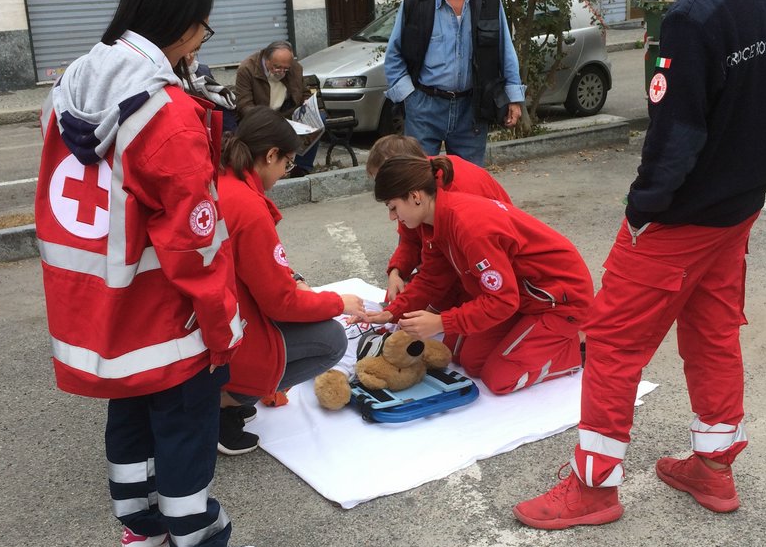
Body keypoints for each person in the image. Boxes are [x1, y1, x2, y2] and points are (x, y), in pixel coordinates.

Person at [514, 0, 766, 531]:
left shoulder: (692, 17)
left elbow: (674, 141)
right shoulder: (763, 0)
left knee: (611, 342)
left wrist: (641, 210)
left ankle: (593, 486)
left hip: (681, 221)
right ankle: (714, 466)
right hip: (736, 214)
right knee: (712, 333)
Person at [34, 0, 261, 547]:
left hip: (103, 298)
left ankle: (141, 528)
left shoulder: (74, 82)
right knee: (186, 424)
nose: (201, 40)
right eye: (203, 27)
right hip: (165, 304)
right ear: (184, 24)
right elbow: (197, 244)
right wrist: (223, 325)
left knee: (128, 409)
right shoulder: (161, 112)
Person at [364, 155, 593, 396]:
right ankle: (536, 336)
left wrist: (441, 322)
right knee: (468, 360)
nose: (392, 217)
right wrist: (391, 312)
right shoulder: (435, 221)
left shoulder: (469, 226)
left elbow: (502, 301)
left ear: (415, 196)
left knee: (500, 379)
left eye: (392, 207)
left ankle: (583, 346)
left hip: (558, 300)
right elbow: (432, 278)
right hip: (524, 295)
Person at [216, 107, 366, 452]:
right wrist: (336, 302)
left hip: (208, 320)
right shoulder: (248, 207)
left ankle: (226, 395)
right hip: (227, 332)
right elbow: (279, 303)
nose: (285, 173)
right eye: (287, 163)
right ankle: (226, 404)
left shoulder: (221, 181)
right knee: (332, 339)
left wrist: (293, 278)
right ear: (270, 155)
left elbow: (255, 269)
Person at [383, 0, 525, 166]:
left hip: (471, 109)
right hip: (425, 109)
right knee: (419, 183)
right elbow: (394, 56)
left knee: (469, 187)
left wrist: (514, 97)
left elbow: (505, 50)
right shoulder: (417, 0)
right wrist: (411, 100)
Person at [365, 134, 512, 301]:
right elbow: (410, 240)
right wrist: (396, 271)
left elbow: (457, 267)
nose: (383, 188)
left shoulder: (458, 192)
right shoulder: (410, 190)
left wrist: (437, 313)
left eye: (385, 180)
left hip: (495, 266)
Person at [233, 40, 317, 172]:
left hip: (287, 114)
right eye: (276, 67)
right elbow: (244, 105)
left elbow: (304, 92)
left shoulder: (294, 68)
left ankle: (301, 169)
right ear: (266, 60)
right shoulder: (247, 69)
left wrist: (308, 102)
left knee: (317, 124)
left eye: (285, 69)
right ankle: (269, 170)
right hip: (260, 118)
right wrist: (269, 120)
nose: (281, 72)